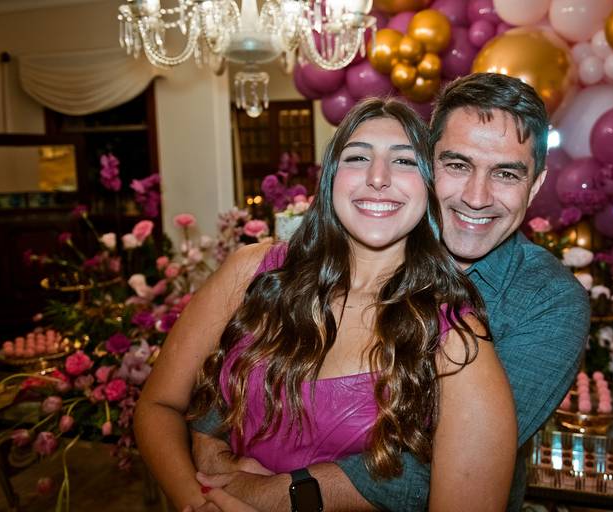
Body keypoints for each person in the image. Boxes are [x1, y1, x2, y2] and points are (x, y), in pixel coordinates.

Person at [190, 73, 590, 511]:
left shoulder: (549, 301)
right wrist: (214, 448)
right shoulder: (366, 248)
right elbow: (246, 369)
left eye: (506, 174)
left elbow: (445, 462)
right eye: (457, 165)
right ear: (426, 165)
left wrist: (281, 491)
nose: (477, 197)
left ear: (535, 185)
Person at [134, 97, 518, 512]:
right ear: (331, 177)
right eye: (358, 157)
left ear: (430, 187)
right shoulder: (253, 271)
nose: (378, 177)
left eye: (404, 161)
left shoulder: (456, 341)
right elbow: (157, 406)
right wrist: (198, 502)